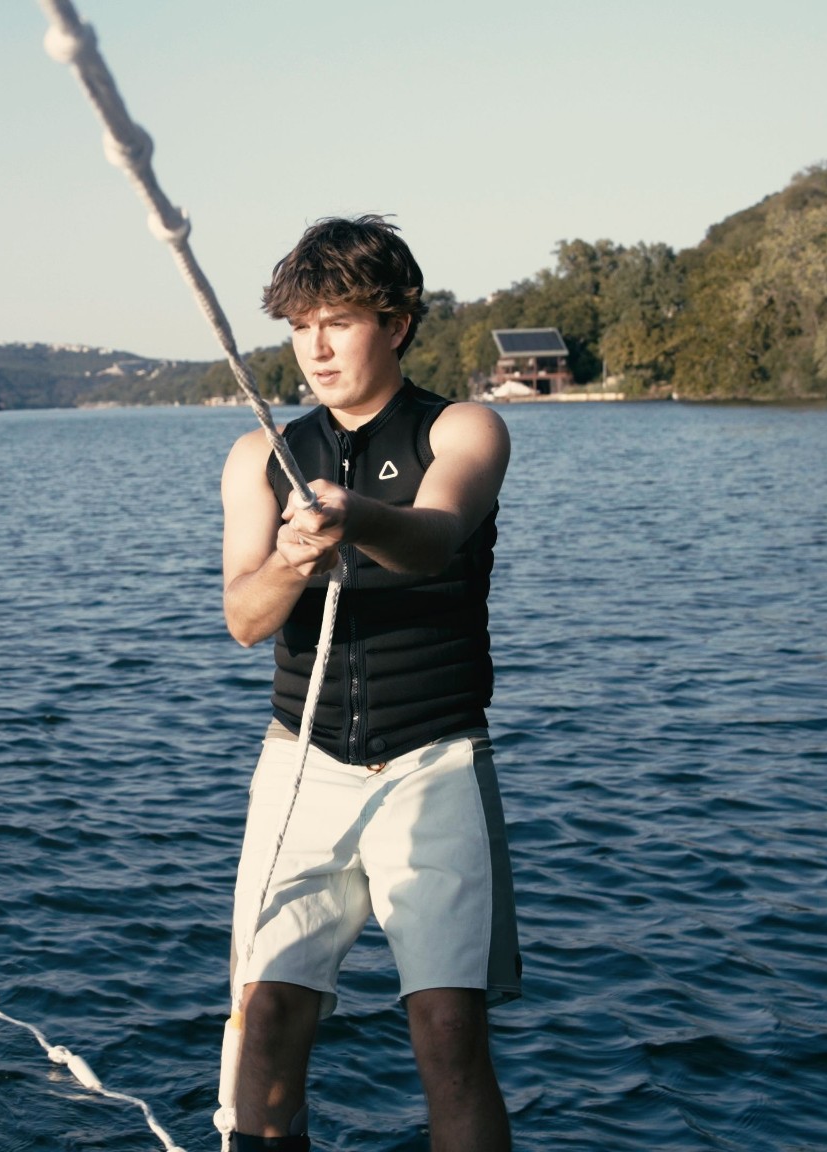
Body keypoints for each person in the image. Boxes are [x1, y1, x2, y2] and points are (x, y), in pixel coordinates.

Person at [218, 216, 519, 1151]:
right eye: (301, 324)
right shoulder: (258, 455)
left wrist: (354, 515)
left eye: (339, 320)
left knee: (447, 1033)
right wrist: (294, 558)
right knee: (263, 1021)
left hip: (433, 761)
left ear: (396, 322)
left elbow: (436, 537)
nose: (315, 346)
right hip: (300, 764)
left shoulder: (463, 427)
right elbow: (243, 617)